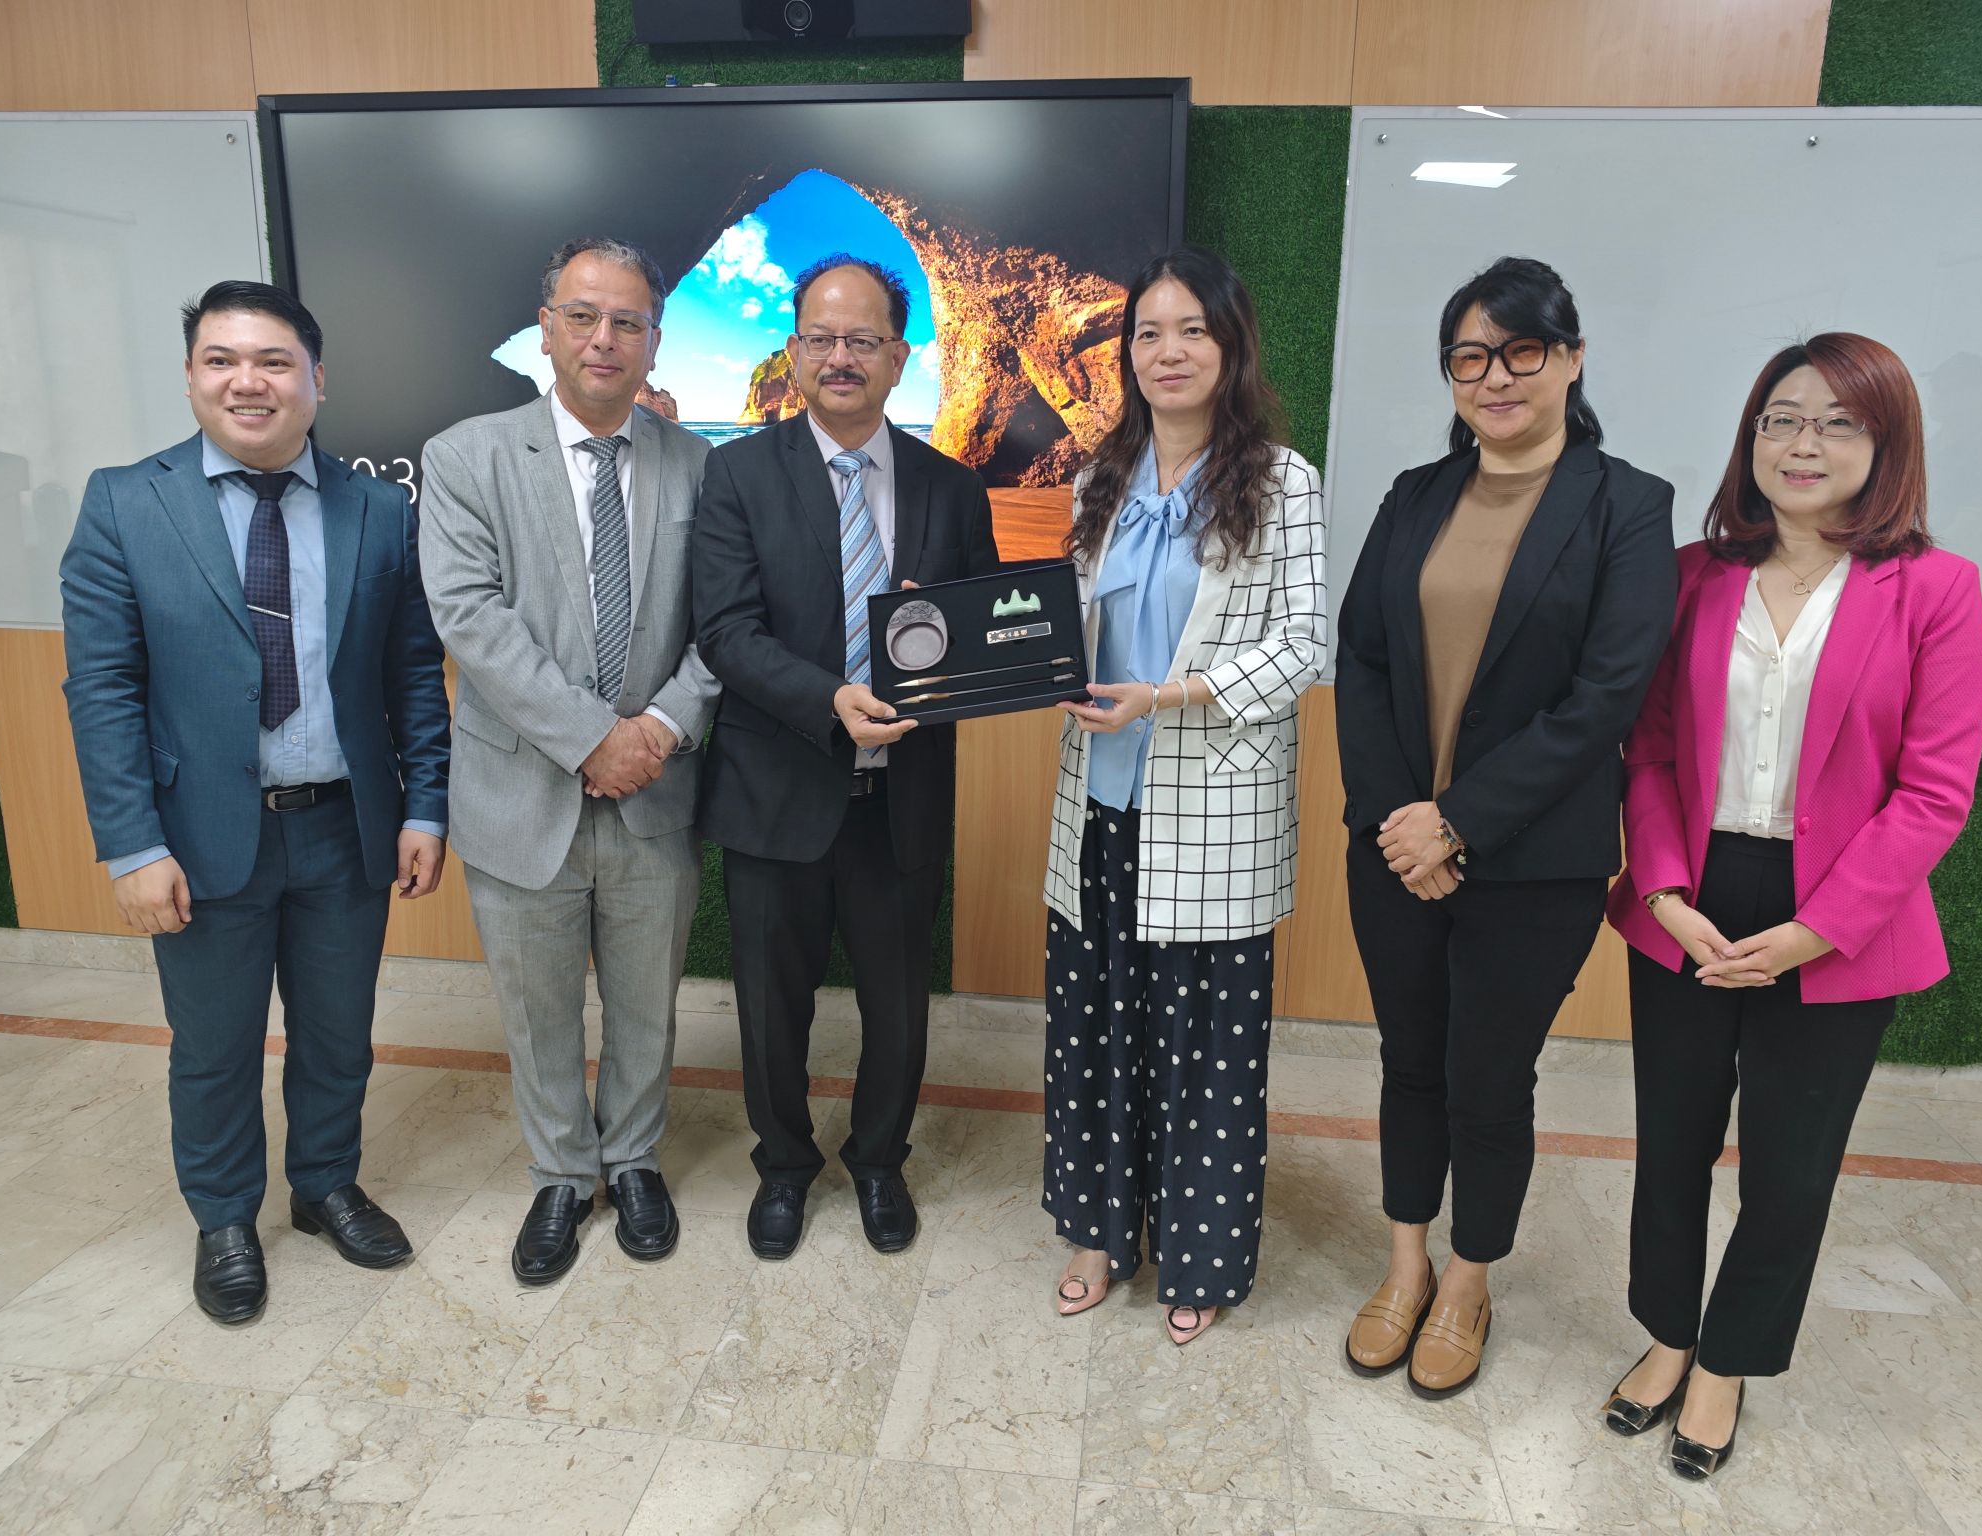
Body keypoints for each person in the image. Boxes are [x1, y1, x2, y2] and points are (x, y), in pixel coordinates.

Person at [1602, 333, 1982, 1479]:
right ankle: (1666, 1336)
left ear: (1883, 443)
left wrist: (1813, 931)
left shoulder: (1935, 590)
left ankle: (1725, 1362)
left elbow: (1933, 793)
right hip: (1689, 896)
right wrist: (1661, 890)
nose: (1801, 442)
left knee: (1787, 1165)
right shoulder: (1690, 575)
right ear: (1750, 439)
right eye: (1779, 417)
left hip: (1839, 919)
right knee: (1670, 1143)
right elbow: (1649, 749)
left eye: (1835, 421)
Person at [60, 280, 451, 1323]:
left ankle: (324, 1186)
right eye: (222, 359)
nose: (249, 381)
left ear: (316, 380)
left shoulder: (377, 508)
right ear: (192, 378)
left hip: (345, 827)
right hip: (198, 838)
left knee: (339, 1034)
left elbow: (412, 672)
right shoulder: (125, 502)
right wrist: (131, 845)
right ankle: (225, 1218)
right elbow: (101, 688)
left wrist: (425, 807)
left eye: (274, 361)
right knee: (215, 1047)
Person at [1335, 256, 1676, 1396]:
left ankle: (1468, 1280)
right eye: (1469, 357)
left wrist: (1460, 824)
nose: (1494, 377)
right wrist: (1400, 821)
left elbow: (1605, 695)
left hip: (1533, 864)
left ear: (1570, 360)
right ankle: (1404, 1263)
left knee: (1488, 1077)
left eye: (1520, 351)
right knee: (1408, 1063)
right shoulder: (1414, 495)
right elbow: (1362, 660)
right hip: (1393, 849)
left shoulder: (1628, 505)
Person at [1041, 246, 1326, 1345]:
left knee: (1207, 1048)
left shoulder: (1282, 483)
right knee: (1094, 1031)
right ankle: (1097, 1233)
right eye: (1148, 333)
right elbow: (1066, 627)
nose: (1168, 352)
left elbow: (1303, 645)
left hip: (1213, 816)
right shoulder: (1097, 480)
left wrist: (1171, 695)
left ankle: (1200, 1256)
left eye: (1191, 330)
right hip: (1097, 807)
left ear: (1230, 345)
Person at [420, 237, 718, 1283]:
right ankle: (560, 1171)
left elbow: (725, 625)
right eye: (583, 316)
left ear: (653, 341)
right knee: (537, 1006)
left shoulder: (700, 466)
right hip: (520, 790)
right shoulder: (466, 457)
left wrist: (658, 730)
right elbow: (469, 615)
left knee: (646, 1001)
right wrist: (593, 738)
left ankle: (631, 1159)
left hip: (655, 790)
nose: (604, 339)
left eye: (628, 321)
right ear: (544, 328)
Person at [694, 253, 997, 1260]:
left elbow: (980, 638)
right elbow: (725, 632)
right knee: (769, 1005)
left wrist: (949, 653)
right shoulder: (737, 473)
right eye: (820, 338)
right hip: (776, 788)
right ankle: (783, 1168)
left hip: (900, 798)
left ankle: (878, 1161)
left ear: (898, 358)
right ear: (792, 351)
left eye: (862, 340)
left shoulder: (953, 489)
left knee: (897, 1003)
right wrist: (828, 699)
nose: (840, 358)